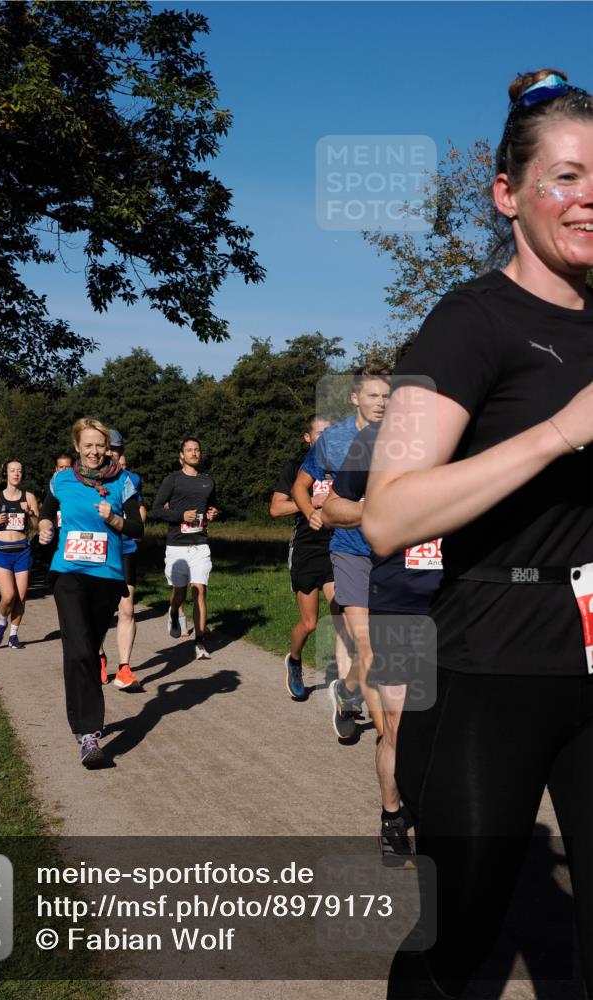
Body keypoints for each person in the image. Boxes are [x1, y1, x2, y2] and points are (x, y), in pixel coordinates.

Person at [362, 70, 593, 999]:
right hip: (489, 665)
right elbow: (388, 516)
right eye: (566, 177)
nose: (588, 199)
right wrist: (558, 432)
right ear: (508, 194)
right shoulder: (471, 321)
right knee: (459, 938)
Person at [322, 378, 443, 868]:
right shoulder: (377, 439)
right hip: (401, 601)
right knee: (398, 727)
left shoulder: (486, 432)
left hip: (467, 603)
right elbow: (332, 506)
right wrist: (376, 510)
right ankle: (393, 816)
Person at [292, 365, 391, 739]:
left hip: (391, 550)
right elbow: (300, 485)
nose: (381, 403)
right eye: (372, 395)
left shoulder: (402, 437)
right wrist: (311, 513)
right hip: (350, 550)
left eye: (387, 396)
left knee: (383, 644)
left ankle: (347, 692)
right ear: (354, 398)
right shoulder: (334, 439)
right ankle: (388, 739)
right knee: (367, 645)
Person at [38, 418, 144, 767]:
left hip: (107, 576)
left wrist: (114, 519)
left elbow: (137, 528)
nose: (95, 451)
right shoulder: (61, 479)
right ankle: (88, 733)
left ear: (108, 448)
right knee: (80, 647)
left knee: (86, 649)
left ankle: (83, 724)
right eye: (88, 445)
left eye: (100, 445)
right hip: (68, 572)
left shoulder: (123, 481)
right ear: (77, 447)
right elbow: (46, 512)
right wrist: (44, 526)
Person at [270, 414, 354, 702]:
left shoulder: (343, 465)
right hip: (306, 548)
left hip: (337, 546)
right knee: (309, 623)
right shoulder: (296, 467)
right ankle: (294, 661)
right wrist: (309, 503)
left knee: (342, 619)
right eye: (320, 433)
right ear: (307, 438)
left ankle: (346, 692)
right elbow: (276, 509)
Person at [151, 437, 219, 660]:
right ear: (181, 455)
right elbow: (156, 510)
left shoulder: (208, 481)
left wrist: (213, 513)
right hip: (177, 545)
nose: (194, 453)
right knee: (179, 592)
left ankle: (199, 642)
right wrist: (181, 515)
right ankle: (173, 612)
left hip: (200, 544)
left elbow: (212, 506)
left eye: (197, 449)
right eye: (189, 450)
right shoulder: (173, 480)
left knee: (199, 590)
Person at [98, 429, 148, 691]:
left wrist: (136, 523)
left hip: (125, 547)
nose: (111, 453)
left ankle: (124, 668)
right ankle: (99, 656)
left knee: (127, 609)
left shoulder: (131, 479)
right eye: (108, 448)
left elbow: (138, 512)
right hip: (97, 550)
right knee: (98, 611)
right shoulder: (85, 478)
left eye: (116, 449)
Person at [0, 462, 39, 648]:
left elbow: (37, 526)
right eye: (12, 470)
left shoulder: (29, 497)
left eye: (19, 471)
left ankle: (13, 636)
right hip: (2, 550)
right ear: (5, 473)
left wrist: (30, 513)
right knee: (8, 596)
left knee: (21, 598)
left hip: (22, 550)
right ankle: (1, 623)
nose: (16, 474)